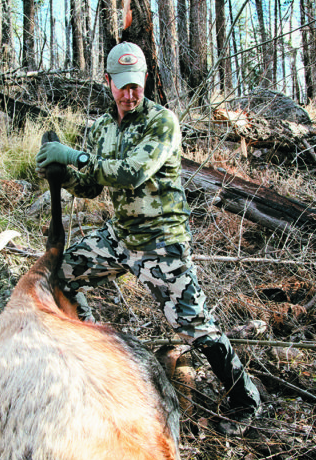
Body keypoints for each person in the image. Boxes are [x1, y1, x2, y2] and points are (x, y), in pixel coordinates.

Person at [35, 42, 261, 429]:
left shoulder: (162, 122)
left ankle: (245, 400)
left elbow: (131, 173)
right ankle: (97, 355)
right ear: (107, 81)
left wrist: (73, 155)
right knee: (62, 277)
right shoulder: (104, 127)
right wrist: (59, 171)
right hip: (119, 237)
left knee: (194, 323)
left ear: (144, 82)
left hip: (160, 242)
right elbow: (91, 186)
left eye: (135, 85)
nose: (129, 94)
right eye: (121, 85)